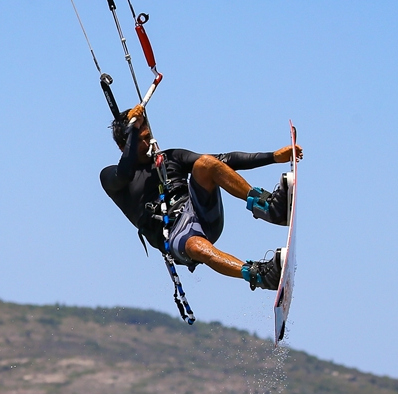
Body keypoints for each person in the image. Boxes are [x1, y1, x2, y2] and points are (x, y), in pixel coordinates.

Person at [99, 104, 302, 290]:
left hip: (200, 211)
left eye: (148, 135)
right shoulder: (111, 177)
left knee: (205, 163)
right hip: (176, 235)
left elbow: (224, 160)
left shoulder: (169, 158)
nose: (148, 141)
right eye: (141, 139)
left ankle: (268, 207)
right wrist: (133, 129)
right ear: (123, 146)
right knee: (198, 247)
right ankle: (260, 276)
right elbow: (125, 172)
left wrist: (273, 157)